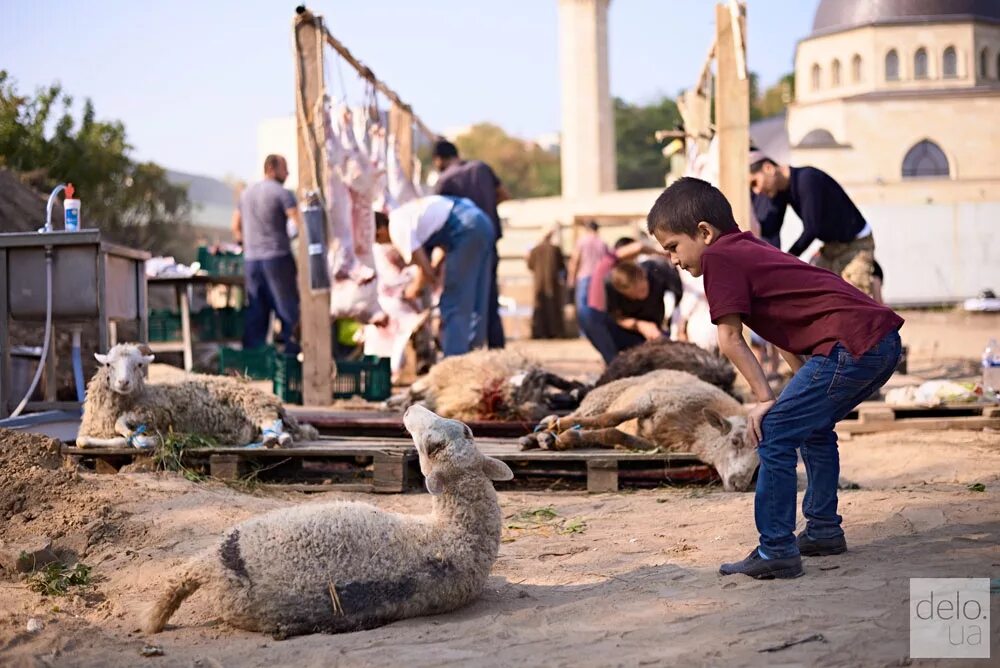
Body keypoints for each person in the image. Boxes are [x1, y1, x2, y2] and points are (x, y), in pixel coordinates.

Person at [647, 177, 903, 580]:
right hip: (877, 341)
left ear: (703, 232)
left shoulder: (720, 259)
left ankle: (776, 549)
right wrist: (801, 385)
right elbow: (780, 326)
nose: (674, 261)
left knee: (776, 430)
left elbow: (730, 339)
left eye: (673, 247)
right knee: (811, 427)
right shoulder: (749, 247)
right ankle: (822, 530)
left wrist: (766, 399)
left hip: (853, 344)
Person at [375, 195, 496, 357]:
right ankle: (475, 354)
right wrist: (433, 274)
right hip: (480, 222)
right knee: (476, 300)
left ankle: (454, 362)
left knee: (454, 303)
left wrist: (413, 290)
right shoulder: (406, 214)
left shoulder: (396, 228)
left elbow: (422, 266)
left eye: (377, 239)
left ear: (381, 230)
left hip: (464, 230)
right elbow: (440, 250)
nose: (381, 243)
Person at [748, 151, 877, 297]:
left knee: (857, 303)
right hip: (832, 248)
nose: (757, 191)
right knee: (817, 296)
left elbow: (812, 229)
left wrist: (786, 260)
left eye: (755, 183)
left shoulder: (807, 179)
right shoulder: (781, 190)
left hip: (856, 245)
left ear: (768, 168)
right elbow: (770, 228)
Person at [432, 138, 510, 350]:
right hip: (489, 238)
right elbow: (504, 194)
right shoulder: (481, 168)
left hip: (463, 244)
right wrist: (487, 207)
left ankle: (462, 355)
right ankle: (496, 353)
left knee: (462, 301)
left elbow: (440, 219)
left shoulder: (445, 181)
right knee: (489, 300)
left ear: (439, 159)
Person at [231, 154, 302, 354]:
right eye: (284, 168)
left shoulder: (246, 194)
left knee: (256, 310)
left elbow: (235, 226)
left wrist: (248, 243)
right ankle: (293, 357)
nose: (287, 173)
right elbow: (299, 222)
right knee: (288, 310)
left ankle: (253, 361)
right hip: (277, 258)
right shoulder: (282, 193)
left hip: (252, 261)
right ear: (272, 168)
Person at [567, 220, 610, 331]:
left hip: (584, 276)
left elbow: (575, 260)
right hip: (599, 278)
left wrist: (571, 277)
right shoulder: (602, 243)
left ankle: (584, 331)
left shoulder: (582, 242)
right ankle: (596, 329)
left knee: (582, 306)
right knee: (597, 305)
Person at [526, 224, 567, 339]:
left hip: (539, 283)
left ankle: (539, 331)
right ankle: (555, 331)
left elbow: (530, 265)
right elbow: (561, 266)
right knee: (553, 307)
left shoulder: (534, 250)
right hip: (552, 282)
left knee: (539, 306)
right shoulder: (555, 249)